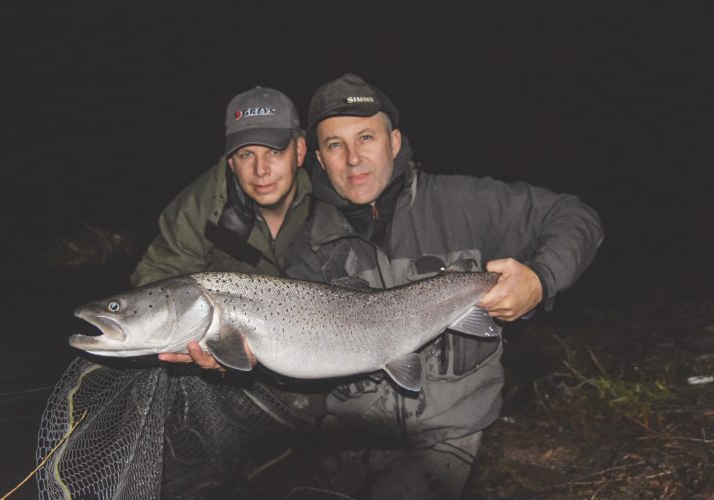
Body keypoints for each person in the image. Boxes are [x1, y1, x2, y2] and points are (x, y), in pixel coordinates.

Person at [283, 73, 604, 499]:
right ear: (320, 160)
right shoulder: (307, 246)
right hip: (349, 438)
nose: (353, 159)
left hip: (448, 436)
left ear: (394, 142)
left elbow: (575, 216)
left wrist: (539, 280)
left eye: (366, 137)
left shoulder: (463, 204)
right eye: (335, 145)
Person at [130, 86, 311, 368]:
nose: (260, 169)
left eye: (274, 151)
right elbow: (157, 277)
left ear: (299, 151)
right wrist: (188, 336)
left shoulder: (332, 195)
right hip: (231, 347)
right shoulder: (198, 206)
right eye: (246, 155)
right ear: (230, 162)